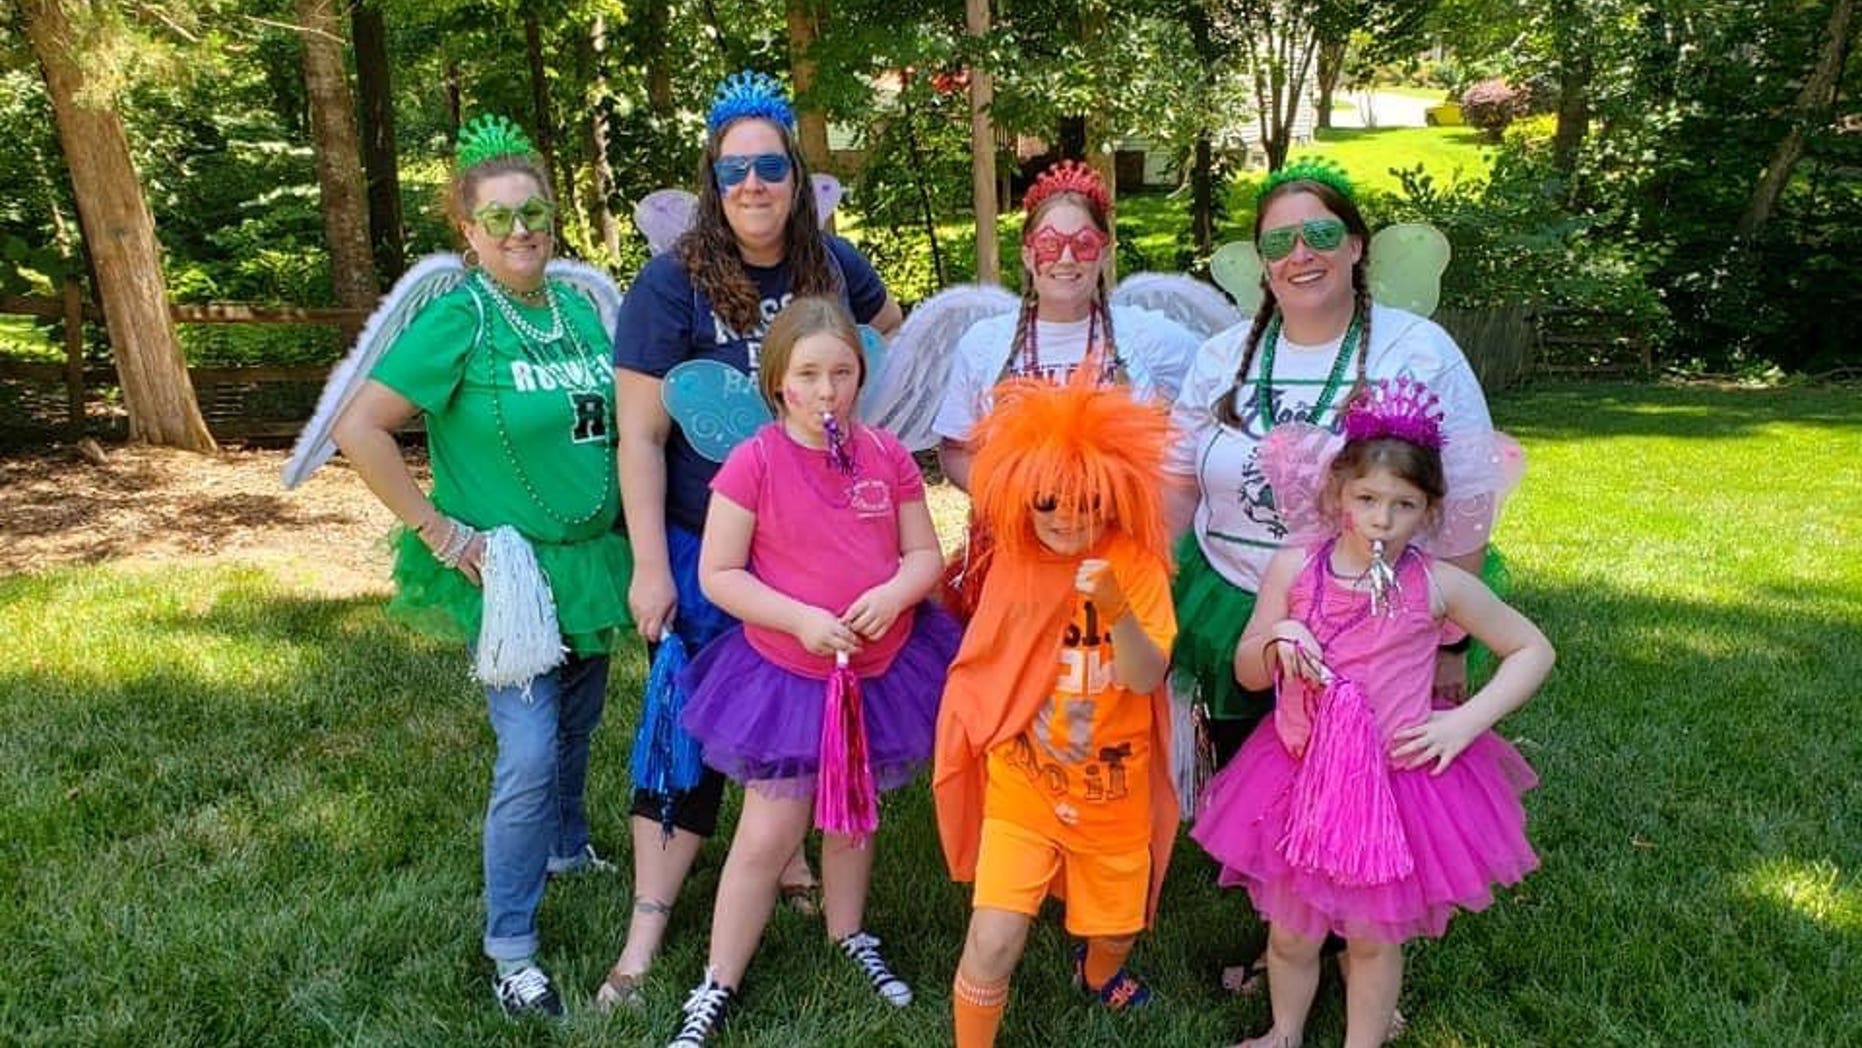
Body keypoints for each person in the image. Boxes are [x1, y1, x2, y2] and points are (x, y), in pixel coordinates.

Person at [604, 71, 904, 1008]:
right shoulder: (672, 282)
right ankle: (647, 930)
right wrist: (655, 565)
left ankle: (790, 861)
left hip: (818, 553)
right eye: (734, 171)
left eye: (771, 165)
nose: (754, 185)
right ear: (712, 179)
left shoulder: (835, 266)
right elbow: (642, 437)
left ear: (795, 171)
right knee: (687, 734)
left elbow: (893, 341)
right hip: (711, 547)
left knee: (810, 716)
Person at [330, 115, 632, 1018]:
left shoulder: (579, 310)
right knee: (531, 751)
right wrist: (439, 533)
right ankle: (512, 945)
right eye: (496, 218)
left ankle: (567, 845)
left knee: (580, 722)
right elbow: (360, 428)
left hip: (590, 560)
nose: (519, 230)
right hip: (511, 582)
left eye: (532, 211)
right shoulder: (461, 316)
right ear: (466, 231)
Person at [1192, 378, 1554, 1048]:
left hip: (1394, 783)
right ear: (1338, 496)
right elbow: (1246, 669)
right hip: (1300, 775)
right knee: (1291, 930)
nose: (1382, 520)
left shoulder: (1437, 586)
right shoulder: (1295, 569)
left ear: (1430, 511)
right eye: (1366, 499)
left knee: (1370, 937)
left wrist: (1462, 722)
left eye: (1404, 505)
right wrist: (1277, 639)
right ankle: (1284, 1032)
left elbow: (1532, 648)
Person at [661, 297, 956, 1046]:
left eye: (843, 373)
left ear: (861, 376)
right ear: (779, 383)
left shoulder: (884, 454)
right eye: (809, 375)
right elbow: (721, 573)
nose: (828, 391)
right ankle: (717, 980)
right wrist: (798, 618)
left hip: (878, 670)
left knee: (856, 815)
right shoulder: (754, 462)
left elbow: (924, 554)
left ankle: (847, 932)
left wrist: (894, 594)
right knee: (769, 832)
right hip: (790, 675)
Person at [932, 377, 1180, 1048]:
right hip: (1026, 784)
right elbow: (990, 661)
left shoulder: (1138, 565)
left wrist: (1117, 610)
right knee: (992, 937)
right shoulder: (1014, 560)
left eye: (1087, 502)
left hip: (1113, 790)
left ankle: (1097, 975)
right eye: (1047, 503)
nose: (1067, 519)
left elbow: (1146, 674)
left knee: (1119, 927)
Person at [934, 159, 1198, 493]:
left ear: (1103, 253)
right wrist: (1007, 496)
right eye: (1050, 244)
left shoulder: (1151, 338)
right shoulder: (985, 344)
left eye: (1084, 244)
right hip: (1014, 537)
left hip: (1119, 538)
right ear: (1029, 256)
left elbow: (1214, 400)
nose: (1066, 258)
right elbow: (955, 449)